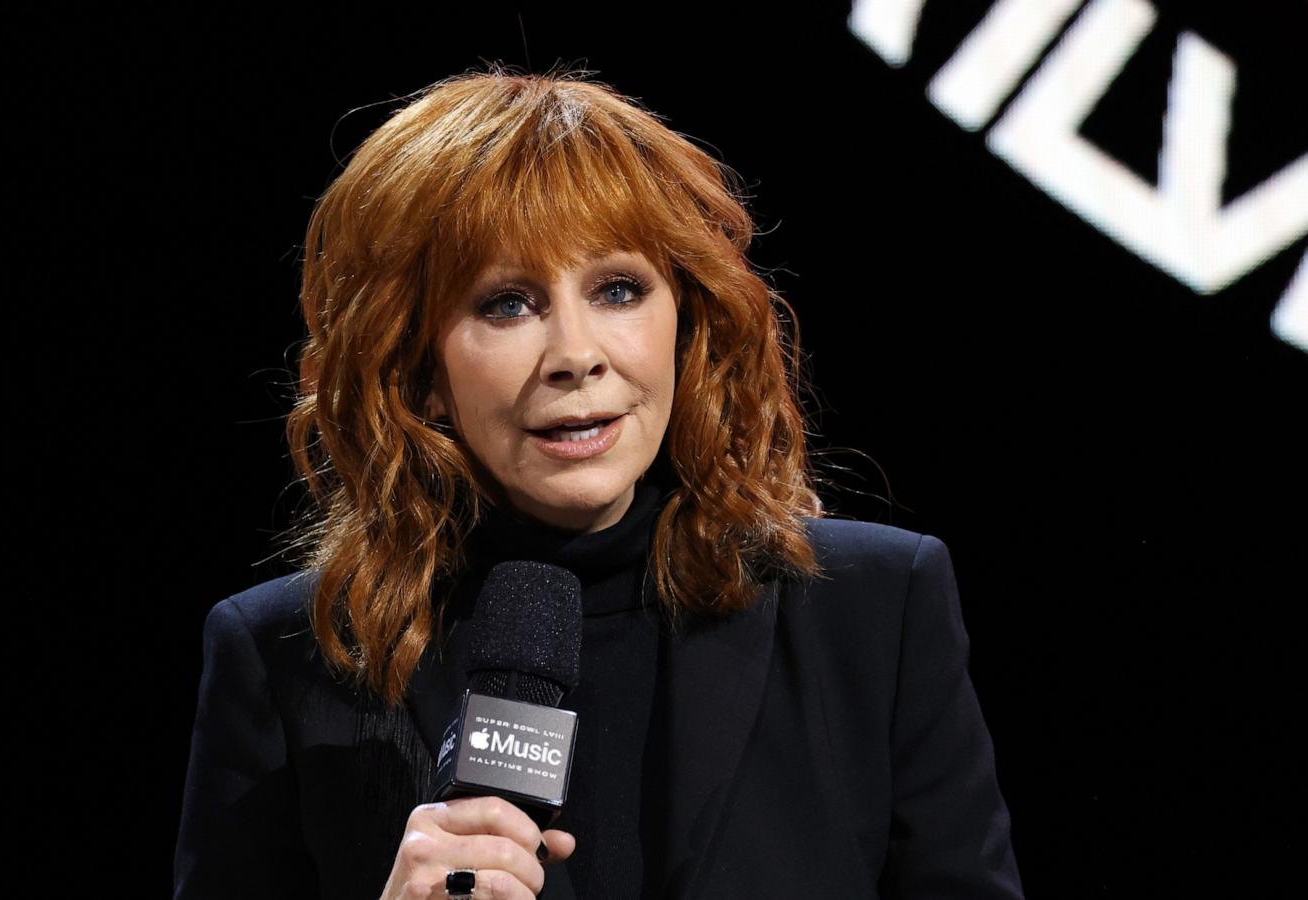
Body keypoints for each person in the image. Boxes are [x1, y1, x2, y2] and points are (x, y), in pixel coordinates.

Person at [174, 65, 1024, 900]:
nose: (577, 355)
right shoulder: (290, 657)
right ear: (418, 366)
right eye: (506, 303)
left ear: (685, 320)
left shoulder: (874, 609)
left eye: (618, 289)